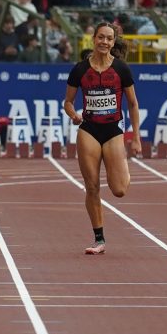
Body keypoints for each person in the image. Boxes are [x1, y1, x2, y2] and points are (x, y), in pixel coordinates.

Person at [62, 22, 142, 255]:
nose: (105, 42)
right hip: (88, 129)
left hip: (113, 130)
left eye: (109, 38)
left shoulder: (121, 69)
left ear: (113, 42)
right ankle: (99, 238)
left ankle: (121, 167)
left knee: (119, 190)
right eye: (101, 38)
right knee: (92, 186)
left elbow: (133, 104)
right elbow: (67, 101)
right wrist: (73, 114)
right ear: (93, 39)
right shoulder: (79, 70)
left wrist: (135, 137)